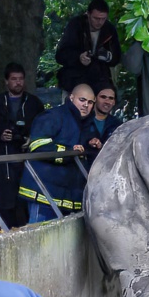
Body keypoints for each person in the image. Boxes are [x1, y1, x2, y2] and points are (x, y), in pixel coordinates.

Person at [18, 84, 96, 223]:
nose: (86, 105)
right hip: (43, 195)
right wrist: (68, 152)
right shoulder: (53, 116)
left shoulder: (87, 125)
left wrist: (93, 147)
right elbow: (37, 145)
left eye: (90, 102)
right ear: (71, 98)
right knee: (39, 242)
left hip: (69, 198)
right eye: (82, 100)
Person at [0, 62, 45, 230]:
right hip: (4, 165)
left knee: (26, 204)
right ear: (6, 81)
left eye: (21, 79)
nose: (18, 83)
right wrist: (1, 134)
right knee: (6, 205)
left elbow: (44, 127)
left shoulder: (34, 103)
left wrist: (31, 138)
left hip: (28, 163)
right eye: (14, 79)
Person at [55, 0, 122, 96]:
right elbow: (61, 55)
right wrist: (79, 57)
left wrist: (108, 57)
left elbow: (117, 57)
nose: (99, 22)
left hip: (99, 81)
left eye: (103, 19)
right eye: (96, 18)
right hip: (74, 81)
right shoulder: (76, 25)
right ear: (88, 14)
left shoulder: (109, 29)